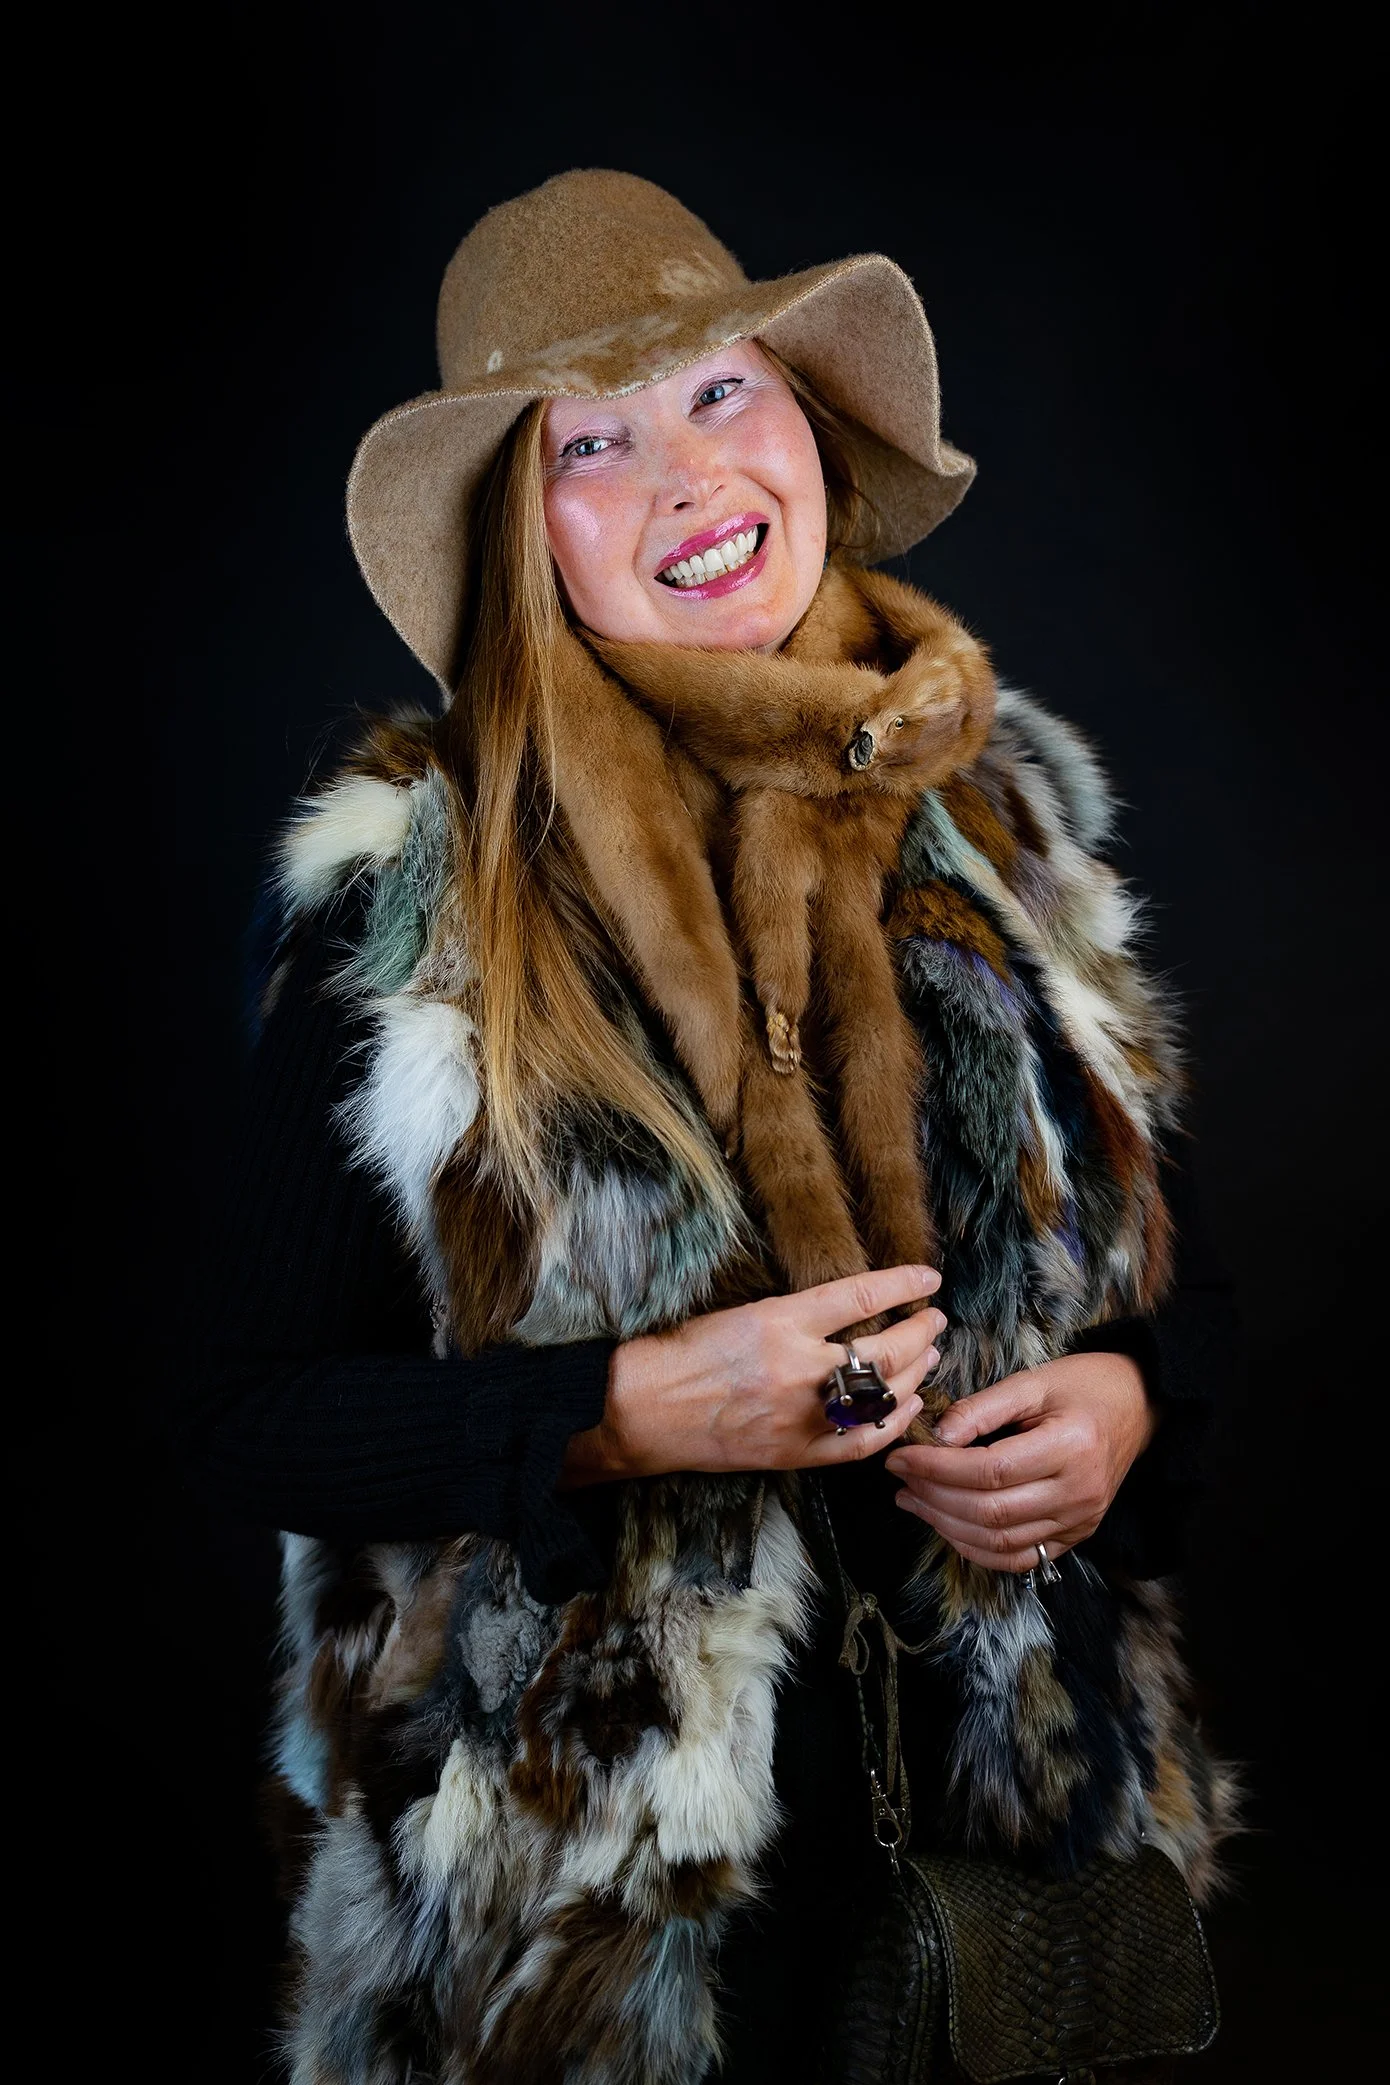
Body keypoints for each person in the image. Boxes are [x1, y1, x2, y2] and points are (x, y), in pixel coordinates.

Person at [193, 170, 1238, 2082]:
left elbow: (1167, 1269)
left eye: (717, 390)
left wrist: (1126, 1405)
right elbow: (242, 1411)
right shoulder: (409, 904)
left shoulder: (999, 817)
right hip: (584, 1918)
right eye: (588, 442)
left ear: (807, 423)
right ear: (523, 529)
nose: (685, 476)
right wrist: (618, 1415)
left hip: (1000, 1855)